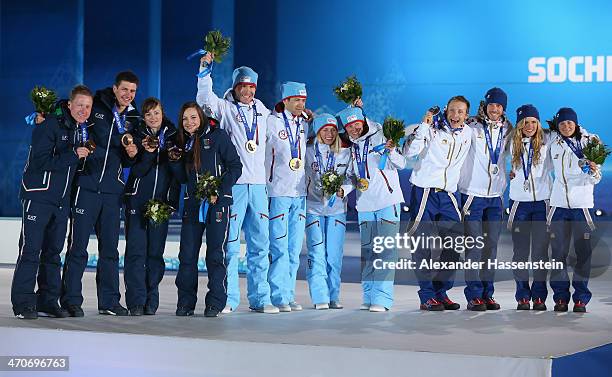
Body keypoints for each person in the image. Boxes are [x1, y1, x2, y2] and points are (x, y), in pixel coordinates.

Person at [196, 53, 276, 314]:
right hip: (235, 186)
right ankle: (228, 299)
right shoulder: (226, 108)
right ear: (235, 86)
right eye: (243, 86)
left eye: (252, 86)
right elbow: (204, 100)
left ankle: (260, 298)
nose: (248, 91)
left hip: (260, 187)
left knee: (260, 244)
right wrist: (205, 71)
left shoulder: (264, 112)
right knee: (230, 244)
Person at [60, 71, 140, 317]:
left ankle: (109, 302)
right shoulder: (98, 105)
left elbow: (129, 156)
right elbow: (68, 108)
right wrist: (44, 114)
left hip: (111, 191)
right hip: (86, 186)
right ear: (115, 88)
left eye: (133, 91)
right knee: (78, 248)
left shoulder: (134, 118)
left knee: (110, 250)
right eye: (124, 89)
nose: (128, 95)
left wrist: (133, 152)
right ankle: (71, 300)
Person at [11, 85, 93, 319]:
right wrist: (74, 155)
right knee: (30, 251)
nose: (83, 110)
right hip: (38, 195)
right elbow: (39, 161)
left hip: (60, 201)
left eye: (88, 106)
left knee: (53, 253)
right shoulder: (48, 124)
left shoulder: (80, 129)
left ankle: (47, 300)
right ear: (69, 104)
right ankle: (23, 303)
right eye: (79, 105)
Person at [170, 102, 242, 318]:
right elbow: (183, 178)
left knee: (215, 254)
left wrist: (218, 190)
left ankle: (215, 302)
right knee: (187, 255)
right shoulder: (183, 142)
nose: (189, 122)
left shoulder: (218, 136)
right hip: (193, 204)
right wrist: (175, 162)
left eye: (193, 117)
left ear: (201, 117)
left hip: (217, 203)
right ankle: (185, 303)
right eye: (185, 119)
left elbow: (235, 166)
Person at [403, 96, 473, 311]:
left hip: (449, 194)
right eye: (452, 110)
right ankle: (426, 295)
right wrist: (424, 125)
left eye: (460, 112)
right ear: (446, 110)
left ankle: (440, 292)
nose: (455, 115)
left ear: (466, 115)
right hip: (425, 191)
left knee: (454, 245)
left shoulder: (468, 133)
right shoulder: (432, 128)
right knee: (422, 245)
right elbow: (409, 152)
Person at [336, 103, 405, 312]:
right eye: (349, 127)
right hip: (364, 205)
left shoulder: (382, 134)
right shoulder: (352, 147)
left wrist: (391, 151)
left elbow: (401, 163)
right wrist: (344, 190)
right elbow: (351, 177)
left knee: (386, 251)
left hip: (387, 201)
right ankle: (368, 296)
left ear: (363, 121)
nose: (353, 129)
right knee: (368, 252)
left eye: (356, 124)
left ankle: (382, 299)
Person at [123, 97, 180, 316]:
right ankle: (136, 300)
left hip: (161, 204)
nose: (153, 117)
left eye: (156, 112)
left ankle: (151, 298)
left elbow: (177, 177)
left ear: (163, 113)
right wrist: (147, 153)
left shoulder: (174, 136)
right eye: (148, 114)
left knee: (155, 254)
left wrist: (172, 202)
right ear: (143, 118)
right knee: (136, 252)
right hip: (137, 200)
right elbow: (134, 172)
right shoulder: (136, 136)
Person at [458, 87, 512, 311]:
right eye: (492, 105)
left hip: (496, 197)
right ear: (485, 105)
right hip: (473, 194)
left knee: (490, 247)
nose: (495, 109)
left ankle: (488, 294)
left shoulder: (509, 129)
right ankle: (473, 295)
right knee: (474, 246)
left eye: (499, 106)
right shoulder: (471, 126)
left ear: (503, 108)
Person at [547, 107, 601, 313]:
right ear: (558, 127)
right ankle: (560, 297)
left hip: (582, 207)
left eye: (569, 123)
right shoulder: (553, 142)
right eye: (562, 124)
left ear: (576, 123)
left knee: (583, 254)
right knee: (558, 254)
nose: (566, 126)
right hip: (559, 205)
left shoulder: (591, 142)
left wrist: (593, 171)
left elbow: (597, 178)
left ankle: (581, 298)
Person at [266, 81, 312, 312]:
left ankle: (289, 294)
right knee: (279, 247)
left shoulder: (303, 124)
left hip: (299, 193)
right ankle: (277, 296)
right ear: (286, 101)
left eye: (303, 101)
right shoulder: (271, 123)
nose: (300, 104)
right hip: (279, 193)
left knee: (294, 249)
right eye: (297, 100)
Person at [304, 114, 353, 309]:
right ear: (317, 131)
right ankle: (320, 297)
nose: (330, 134)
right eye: (325, 129)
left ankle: (334, 296)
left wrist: (345, 189)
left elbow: (352, 177)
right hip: (312, 208)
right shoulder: (307, 150)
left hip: (337, 209)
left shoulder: (345, 152)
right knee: (316, 253)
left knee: (333, 255)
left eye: (333, 130)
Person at [507, 104, 553, 310]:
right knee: (520, 253)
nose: (530, 126)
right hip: (519, 205)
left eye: (533, 121)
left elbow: (571, 136)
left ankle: (540, 296)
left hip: (542, 204)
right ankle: (522, 295)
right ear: (519, 124)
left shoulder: (548, 142)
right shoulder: (510, 142)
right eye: (525, 122)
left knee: (540, 253)